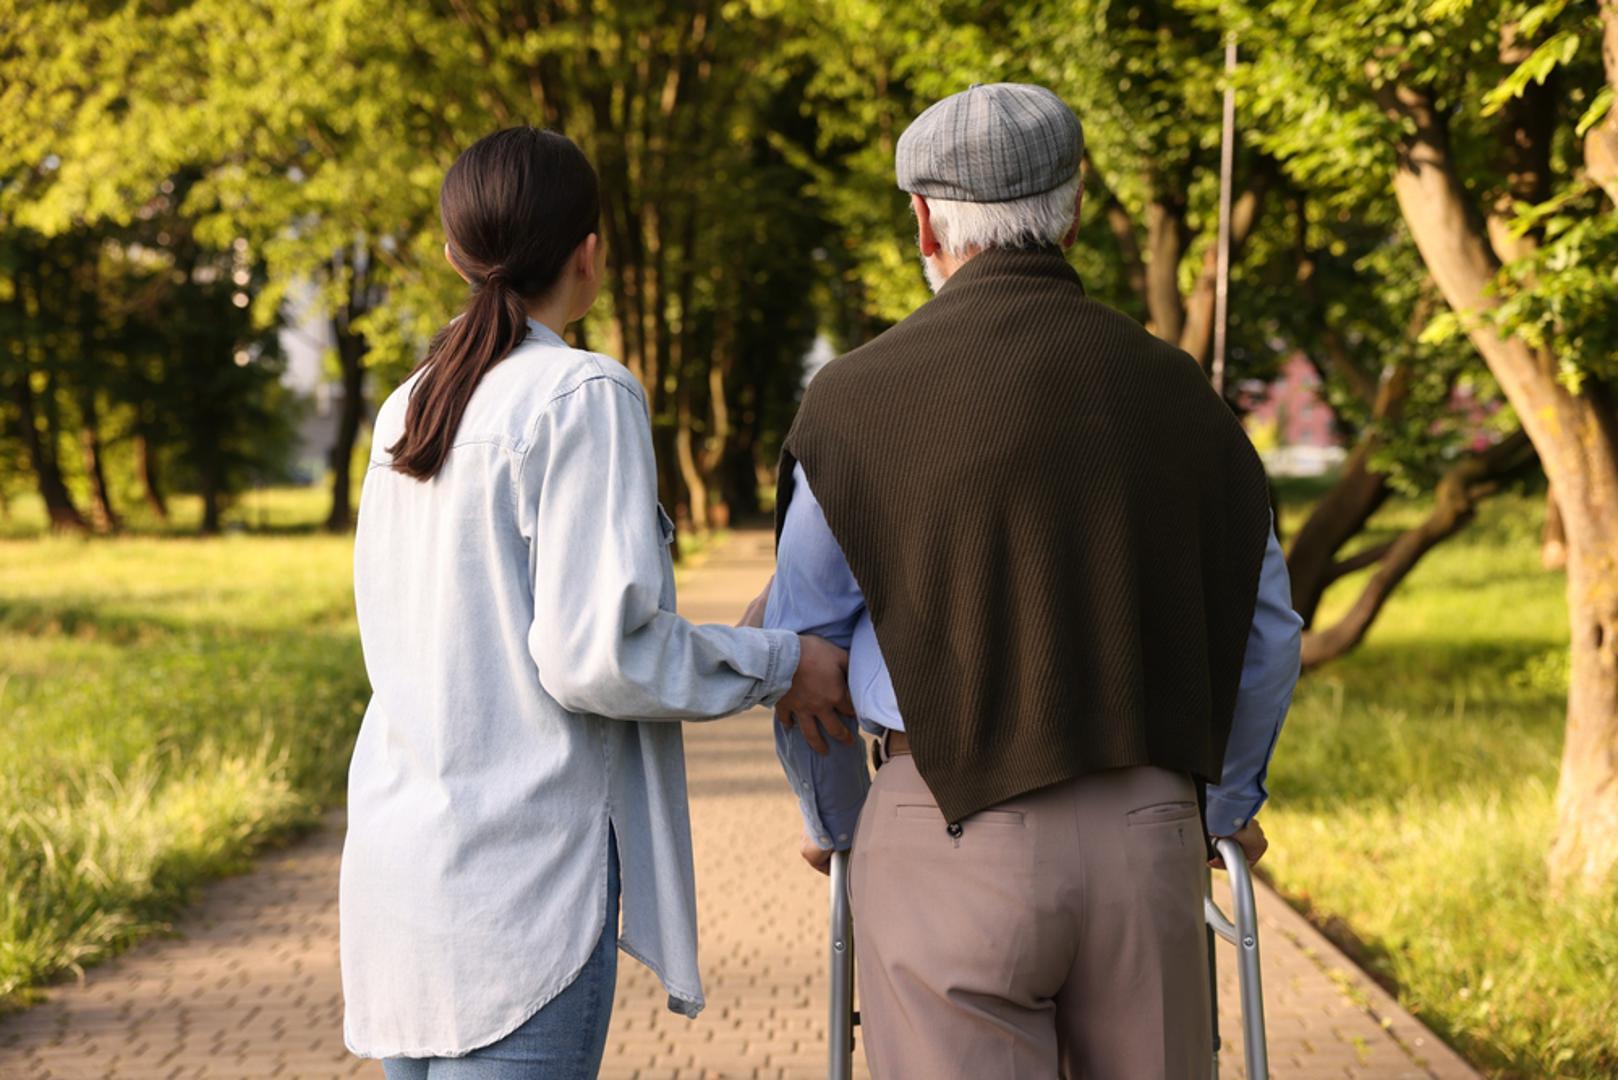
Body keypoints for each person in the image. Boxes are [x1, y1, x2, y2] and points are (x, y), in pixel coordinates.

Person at [759, 84, 1304, 1079]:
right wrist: (1221, 806)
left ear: (921, 218)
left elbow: (805, 660)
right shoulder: (1182, 392)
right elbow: (1266, 632)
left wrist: (832, 826)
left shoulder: (852, 404)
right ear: (1077, 204)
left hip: (942, 826)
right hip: (1149, 827)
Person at [340, 127, 852, 1080]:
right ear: (591, 253)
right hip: (522, 886)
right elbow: (595, 657)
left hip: (398, 879)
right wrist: (782, 661)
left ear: (457, 256)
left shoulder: (405, 409)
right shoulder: (581, 393)